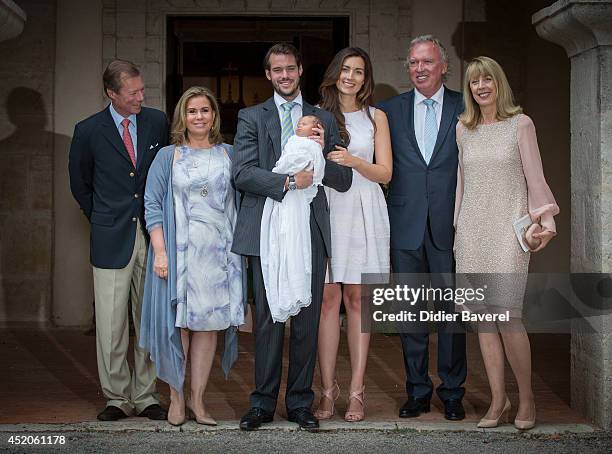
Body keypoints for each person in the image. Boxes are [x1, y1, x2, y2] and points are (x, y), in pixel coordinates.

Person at [232, 42, 352, 431]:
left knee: (306, 318)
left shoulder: (323, 118)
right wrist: (287, 181)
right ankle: (262, 403)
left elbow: (344, 178)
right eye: (276, 70)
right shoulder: (252, 117)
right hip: (264, 228)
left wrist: (320, 152)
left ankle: (300, 402)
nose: (284, 75)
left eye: (290, 68)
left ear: (301, 70)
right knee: (267, 318)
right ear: (268, 75)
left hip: (310, 231)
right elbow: (243, 172)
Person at [454, 56, 558, 430]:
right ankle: (499, 400)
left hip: (505, 235)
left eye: (487, 80)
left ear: (499, 83)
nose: (481, 87)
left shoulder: (520, 124)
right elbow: (462, 184)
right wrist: (457, 231)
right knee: (484, 321)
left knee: (509, 317)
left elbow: (535, 177)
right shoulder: (463, 129)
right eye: (474, 82)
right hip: (471, 232)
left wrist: (544, 221)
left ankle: (526, 398)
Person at [68, 59, 168, 421]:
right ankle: (116, 398)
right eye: (133, 93)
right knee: (111, 323)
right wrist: (100, 216)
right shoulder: (88, 130)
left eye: (142, 90)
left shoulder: (157, 121)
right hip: (111, 235)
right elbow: (80, 183)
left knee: (149, 319)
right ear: (112, 93)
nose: (141, 97)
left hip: (153, 235)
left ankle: (146, 394)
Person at [139, 86, 246, 426]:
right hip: (179, 255)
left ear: (214, 115)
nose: (199, 117)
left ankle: (198, 400)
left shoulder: (230, 154)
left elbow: (241, 201)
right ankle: (176, 397)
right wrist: (160, 251)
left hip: (220, 258)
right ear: (182, 117)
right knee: (180, 326)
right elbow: (152, 204)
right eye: (192, 111)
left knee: (208, 327)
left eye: (205, 110)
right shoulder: (168, 156)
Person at [378, 35, 467, 421]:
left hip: (451, 224)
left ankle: (452, 393)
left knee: (453, 315)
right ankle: (416, 390)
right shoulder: (389, 111)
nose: (419, 69)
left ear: (443, 66)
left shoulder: (466, 106)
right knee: (409, 314)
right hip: (405, 225)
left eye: (427, 62)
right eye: (413, 62)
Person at [314, 47, 392, 422]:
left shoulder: (377, 117)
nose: (350, 76)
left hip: (363, 208)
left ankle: (357, 393)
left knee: (358, 302)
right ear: (335, 73)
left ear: (366, 78)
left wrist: (354, 161)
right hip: (328, 208)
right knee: (327, 301)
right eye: (345, 69)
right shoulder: (316, 114)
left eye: (358, 71)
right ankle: (328, 392)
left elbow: (386, 173)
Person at [260, 115, 326, 324]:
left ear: (315, 129)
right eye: (299, 123)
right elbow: (245, 173)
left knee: (296, 246)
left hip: (303, 209)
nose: (300, 125)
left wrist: (318, 152)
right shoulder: (290, 140)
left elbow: (320, 171)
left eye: (305, 123)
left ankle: (295, 291)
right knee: (279, 248)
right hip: (278, 197)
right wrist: (284, 178)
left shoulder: (314, 144)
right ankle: (282, 297)